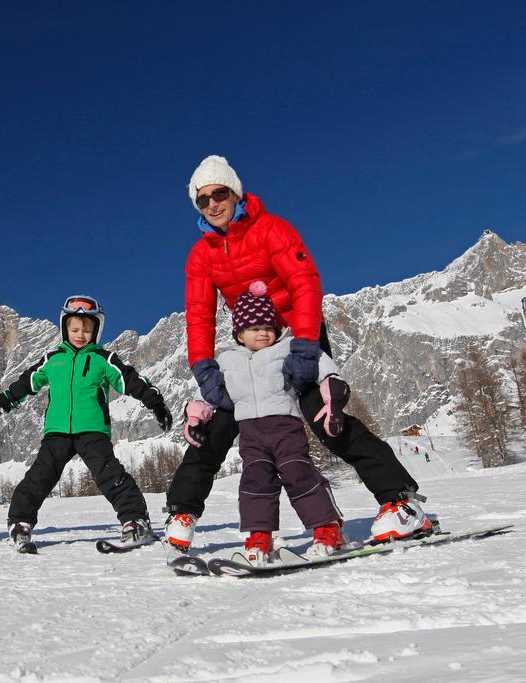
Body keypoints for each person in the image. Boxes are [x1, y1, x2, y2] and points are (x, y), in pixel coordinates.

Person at [164, 155, 433, 553]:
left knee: (326, 418)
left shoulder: (272, 229)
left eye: (219, 194)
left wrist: (306, 346)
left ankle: (401, 502)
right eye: (202, 200)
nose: (212, 205)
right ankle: (182, 512)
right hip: (250, 344)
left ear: (235, 193)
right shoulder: (201, 256)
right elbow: (199, 315)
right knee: (218, 427)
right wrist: (204, 368)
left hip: (295, 334)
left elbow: (305, 283)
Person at [0, 295, 173, 552]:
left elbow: (131, 381)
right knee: (39, 477)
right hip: (56, 432)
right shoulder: (53, 359)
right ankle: (20, 523)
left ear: (96, 331)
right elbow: (26, 383)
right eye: (75, 329)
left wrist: (155, 403)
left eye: (87, 330)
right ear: (65, 328)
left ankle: (135, 521)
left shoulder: (103, 359)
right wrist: (2, 403)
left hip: (92, 430)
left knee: (109, 475)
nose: (80, 335)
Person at [184, 282, 347, 565]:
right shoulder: (227, 360)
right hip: (251, 435)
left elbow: (319, 362)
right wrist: (196, 414)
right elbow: (212, 394)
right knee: (255, 482)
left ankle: (328, 529)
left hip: (285, 428)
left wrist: (332, 389)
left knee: (298, 474)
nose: (263, 333)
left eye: (268, 327)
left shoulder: (287, 348)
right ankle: (260, 537)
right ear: (240, 333)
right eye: (255, 328)